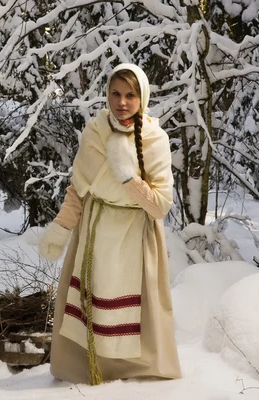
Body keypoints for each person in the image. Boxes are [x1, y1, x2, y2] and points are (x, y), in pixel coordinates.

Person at [39, 63, 181, 385]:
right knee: (89, 301)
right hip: (94, 229)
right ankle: (84, 368)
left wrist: (127, 175)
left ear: (142, 97)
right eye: (116, 93)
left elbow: (160, 206)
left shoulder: (155, 139)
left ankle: (133, 372)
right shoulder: (95, 131)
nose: (122, 102)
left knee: (132, 309)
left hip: (135, 236)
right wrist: (61, 228)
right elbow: (78, 188)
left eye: (131, 95)